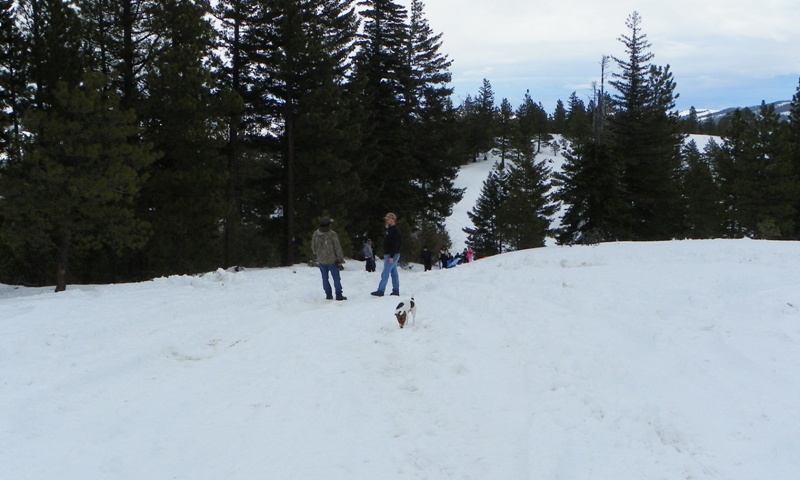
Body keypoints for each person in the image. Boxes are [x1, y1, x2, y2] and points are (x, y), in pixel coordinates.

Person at [311, 217, 346, 301]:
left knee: (325, 278)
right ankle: (338, 295)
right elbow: (337, 247)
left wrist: (317, 254)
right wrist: (340, 259)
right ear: (328, 225)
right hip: (332, 260)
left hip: (321, 260)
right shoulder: (332, 234)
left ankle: (328, 295)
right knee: (336, 278)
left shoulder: (316, 233)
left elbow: (313, 246)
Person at [371, 212, 401, 297]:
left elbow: (395, 244)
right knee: (394, 272)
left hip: (392, 255)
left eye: (388, 219)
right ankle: (396, 290)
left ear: (393, 220)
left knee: (385, 272)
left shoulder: (395, 231)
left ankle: (381, 290)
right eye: (386, 220)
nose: (387, 221)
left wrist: (391, 256)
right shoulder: (389, 230)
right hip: (389, 254)